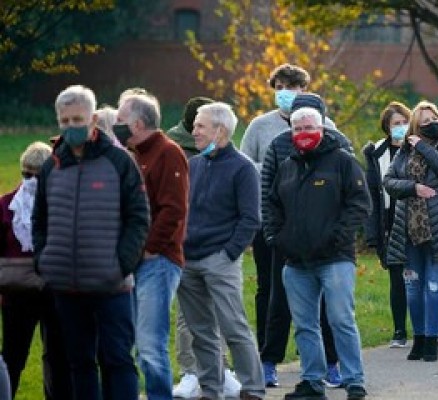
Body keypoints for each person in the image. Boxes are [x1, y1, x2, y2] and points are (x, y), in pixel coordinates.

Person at [33, 84, 150, 399]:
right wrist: (45, 261)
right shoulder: (51, 166)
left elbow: (139, 218)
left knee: (118, 361)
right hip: (67, 288)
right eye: (65, 120)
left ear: (94, 119)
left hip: (111, 287)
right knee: (79, 364)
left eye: (78, 119)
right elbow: (39, 220)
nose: (72, 126)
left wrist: (120, 265)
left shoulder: (120, 162)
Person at [263, 106, 370, 400]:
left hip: (335, 259)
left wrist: (338, 237)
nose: (303, 133)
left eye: (309, 127)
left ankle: (354, 380)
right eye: (297, 129)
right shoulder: (287, 166)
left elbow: (360, 204)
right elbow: (271, 205)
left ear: (322, 128)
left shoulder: (343, 162)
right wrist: (277, 238)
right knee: (305, 325)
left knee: (340, 319)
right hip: (295, 262)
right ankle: (312, 381)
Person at [244, 65, 336, 387]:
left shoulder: (327, 127)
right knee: (271, 292)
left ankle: (326, 360)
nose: (286, 91)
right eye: (280, 86)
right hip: (271, 221)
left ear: (304, 89)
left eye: (292, 86)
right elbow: (247, 168)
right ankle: (268, 358)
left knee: (321, 293)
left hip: (314, 224)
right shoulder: (260, 126)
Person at [259, 93, 347, 388]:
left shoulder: (339, 146)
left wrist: (339, 235)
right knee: (278, 303)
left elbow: (352, 197)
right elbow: (266, 192)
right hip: (288, 242)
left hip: (327, 244)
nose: (304, 127)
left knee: (329, 309)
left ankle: (332, 365)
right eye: (298, 120)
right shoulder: (279, 145)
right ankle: (269, 362)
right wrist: (274, 235)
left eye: (311, 120)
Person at [178, 102, 265, 399]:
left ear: (221, 130)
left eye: (200, 126)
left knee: (233, 327)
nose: (194, 131)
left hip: (220, 260)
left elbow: (251, 218)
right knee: (200, 332)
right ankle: (211, 390)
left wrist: (229, 254)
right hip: (188, 261)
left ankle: (253, 388)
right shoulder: (194, 165)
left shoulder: (242, 168)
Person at [116, 93, 189, 400]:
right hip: (135, 261)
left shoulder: (168, 153)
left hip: (157, 261)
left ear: (138, 123)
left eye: (121, 120)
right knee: (127, 343)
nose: (117, 125)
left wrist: (149, 248)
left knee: (150, 345)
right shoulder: (135, 154)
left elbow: (174, 209)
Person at [383, 101, 438, 361]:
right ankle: (418, 337)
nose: (429, 124)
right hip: (409, 227)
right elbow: (389, 182)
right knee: (413, 285)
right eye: (423, 122)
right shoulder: (403, 154)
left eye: (433, 119)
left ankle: (432, 338)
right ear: (414, 127)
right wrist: (413, 187)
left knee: (434, 285)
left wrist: (421, 146)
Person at [1, 142, 72, 398]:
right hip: (16, 293)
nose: (30, 180)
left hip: (55, 292)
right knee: (12, 355)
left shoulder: (63, 207)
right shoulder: (6, 205)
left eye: (36, 175)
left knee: (58, 357)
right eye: (25, 174)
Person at [363, 101, 412, 348]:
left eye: (405, 123)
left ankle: (426, 329)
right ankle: (399, 330)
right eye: (396, 124)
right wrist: (372, 235)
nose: (401, 128)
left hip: (416, 219)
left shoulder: (419, 149)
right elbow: (371, 195)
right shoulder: (376, 154)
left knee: (418, 276)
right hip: (390, 220)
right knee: (397, 277)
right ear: (387, 127)